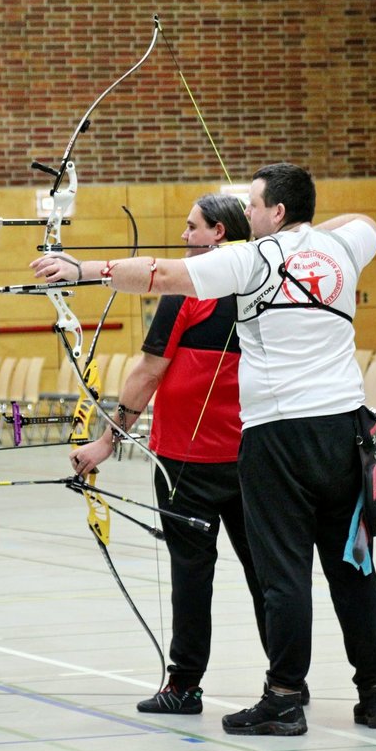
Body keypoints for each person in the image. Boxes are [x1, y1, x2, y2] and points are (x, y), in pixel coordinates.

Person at [33, 163, 376, 736]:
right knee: (354, 566)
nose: (247, 213)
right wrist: (306, 237)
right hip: (346, 432)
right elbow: (365, 220)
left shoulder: (249, 260)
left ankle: (283, 699)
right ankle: (375, 696)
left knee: (284, 576)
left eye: (254, 205)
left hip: (279, 439)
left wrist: (84, 270)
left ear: (277, 211)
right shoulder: (344, 249)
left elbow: (159, 274)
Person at [68, 194, 271, 715]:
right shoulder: (265, 285)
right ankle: (287, 683)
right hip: (254, 459)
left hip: (189, 463)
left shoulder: (187, 292)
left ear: (218, 233)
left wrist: (107, 440)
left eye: (192, 226)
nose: (183, 236)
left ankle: (184, 688)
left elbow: (148, 372)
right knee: (269, 575)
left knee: (192, 575)